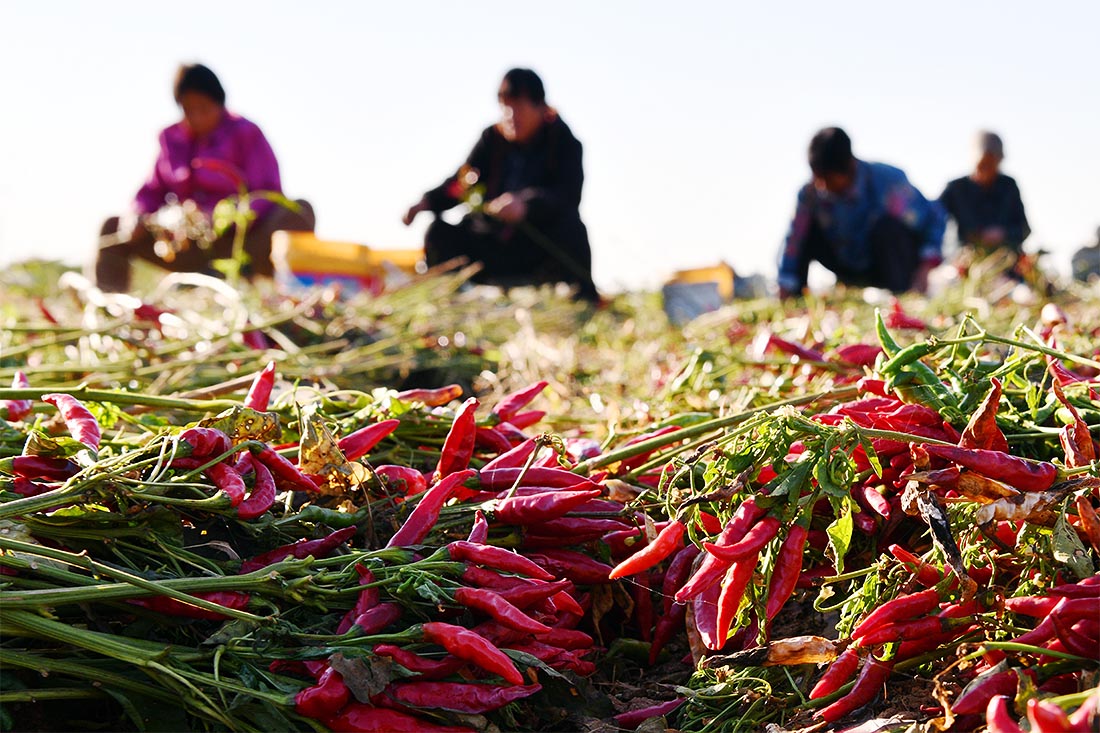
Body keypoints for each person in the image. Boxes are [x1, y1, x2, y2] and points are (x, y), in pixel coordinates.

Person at [93, 63, 315, 292]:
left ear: (220, 104)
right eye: (189, 109)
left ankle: (235, 276)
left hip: (242, 243)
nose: (197, 117)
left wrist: (223, 217)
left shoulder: (246, 133)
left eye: (204, 108)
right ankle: (111, 306)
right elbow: (150, 192)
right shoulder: (171, 139)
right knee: (112, 226)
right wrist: (136, 217)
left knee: (299, 210)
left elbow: (269, 192)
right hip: (187, 246)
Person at [403, 68, 598, 302]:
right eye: (505, 106)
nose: (510, 115)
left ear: (539, 106)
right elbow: (462, 182)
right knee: (438, 233)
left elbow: (567, 195)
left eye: (518, 107)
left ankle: (585, 301)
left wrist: (526, 206)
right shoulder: (492, 140)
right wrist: (427, 201)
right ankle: (445, 302)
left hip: (537, 249)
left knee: (573, 228)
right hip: (491, 242)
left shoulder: (564, 142)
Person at [777, 127, 945, 298]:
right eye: (817, 177)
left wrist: (925, 268)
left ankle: (901, 297)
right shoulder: (810, 194)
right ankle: (793, 299)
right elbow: (794, 241)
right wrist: (785, 283)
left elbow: (933, 219)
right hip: (847, 264)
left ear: (849, 166)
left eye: (828, 179)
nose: (822, 186)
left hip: (887, 267)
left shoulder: (886, 183)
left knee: (888, 228)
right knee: (807, 228)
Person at [940, 131, 1030, 276]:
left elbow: (1024, 229)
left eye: (991, 163)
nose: (986, 170)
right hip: (965, 266)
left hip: (1006, 267)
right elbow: (933, 223)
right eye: (982, 164)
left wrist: (1003, 234)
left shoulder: (1008, 187)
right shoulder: (956, 189)